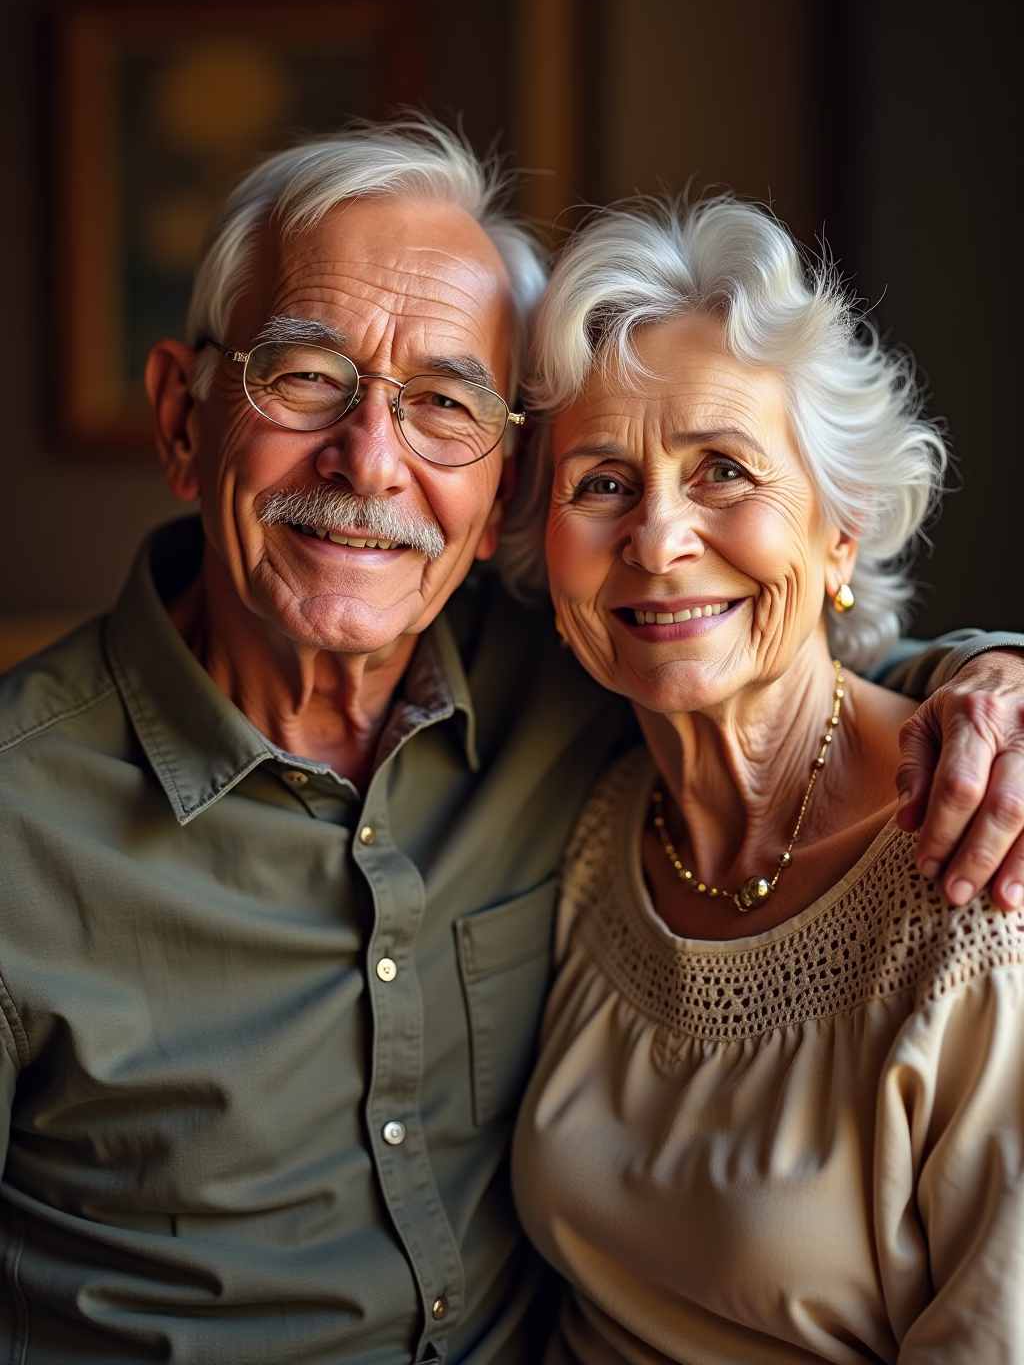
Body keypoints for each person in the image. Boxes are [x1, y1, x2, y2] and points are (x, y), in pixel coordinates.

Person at [0, 124, 1021, 1364]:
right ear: (181, 418)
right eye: (308, 375)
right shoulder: (21, 826)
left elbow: (770, 672)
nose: (371, 461)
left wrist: (989, 679)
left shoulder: (591, 694)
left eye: (442, 403)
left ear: (495, 496)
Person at [510, 195, 1024, 1363]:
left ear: (839, 531)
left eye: (724, 472)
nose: (656, 541)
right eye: (599, 485)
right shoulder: (591, 836)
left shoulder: (986, 881)